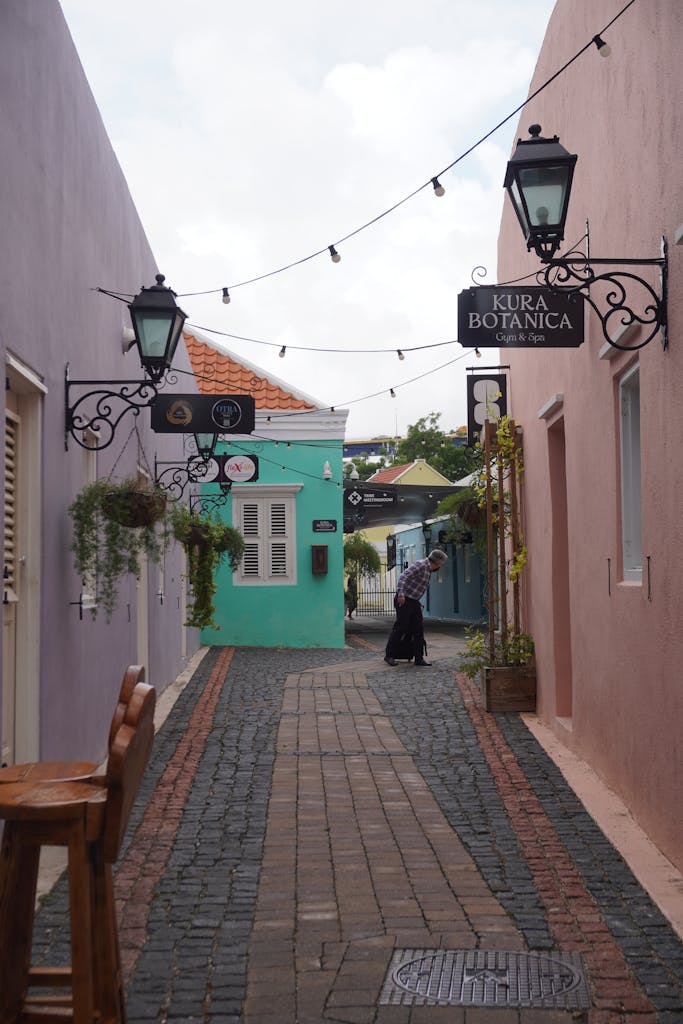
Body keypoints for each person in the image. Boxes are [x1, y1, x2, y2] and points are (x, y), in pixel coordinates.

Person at [384, 549, 448, 667]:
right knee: (401, 627)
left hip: (413, 601)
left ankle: (418, 658)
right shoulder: (421, 565)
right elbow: (403, 577)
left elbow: (415, 585)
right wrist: (401, 594)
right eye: (441, 564)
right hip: (404, 599)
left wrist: (417, 601)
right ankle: (389, 655)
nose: (440, 566)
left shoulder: (428, 570)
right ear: (437, 562)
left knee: (418, 629)